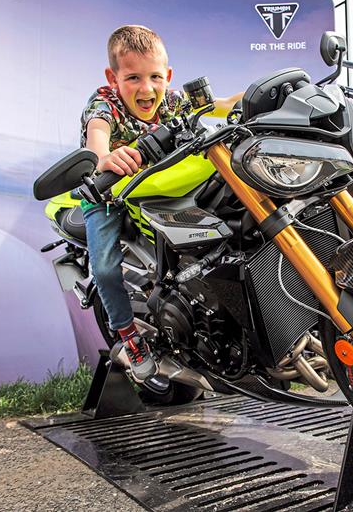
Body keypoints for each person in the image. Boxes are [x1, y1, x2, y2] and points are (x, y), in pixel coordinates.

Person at [81, 25, 241, 381]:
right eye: (133, 77)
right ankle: (128, 336)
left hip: (159, 192)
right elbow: (97, 131)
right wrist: (103, 158)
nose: (147, 88)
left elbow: (219, 105)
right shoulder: (103, 103)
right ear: (113, 77)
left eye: (155, 77)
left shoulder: (171, 102)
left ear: (168, 76)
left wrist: (250, 100)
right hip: (109, 195)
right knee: (105, 268)